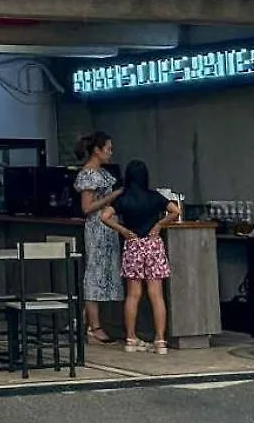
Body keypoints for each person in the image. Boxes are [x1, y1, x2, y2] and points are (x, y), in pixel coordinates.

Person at [102, 159, 182, 354]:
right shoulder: (155, 197)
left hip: (133, 244)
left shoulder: (123, 199)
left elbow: (104, 217)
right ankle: (160, 341)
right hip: (153, 245)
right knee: (156, 294)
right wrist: (159, 225)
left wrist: (123, 230)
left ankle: (130, 339)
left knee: (133, 294)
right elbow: (175, 211)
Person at [73, 131, 121, 344]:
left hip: (109, 227)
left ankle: (83, 320)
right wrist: (113, 196)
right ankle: (95, 326)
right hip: (97, 228)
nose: (110, 153)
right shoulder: (88, 174)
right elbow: (87, 207)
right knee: (94, 275)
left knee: (104, 274)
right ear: (96, 150)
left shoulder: (103, 173)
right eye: (108, 149)